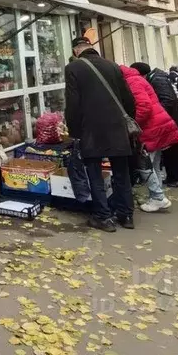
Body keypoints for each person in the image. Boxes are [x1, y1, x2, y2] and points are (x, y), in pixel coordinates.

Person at [64, 37, 136, 232]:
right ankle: (126, 215)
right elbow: (128, 98)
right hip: (117, 127)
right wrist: (128, 121)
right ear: (91, 48)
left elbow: (73, 104)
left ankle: (103, 217)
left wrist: (74, 131)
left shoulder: (73, 68)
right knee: (121, 173)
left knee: (94, 174)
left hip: (91, 129)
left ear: (76, 50)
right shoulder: (112, 66)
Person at [121, 65, 178, 213]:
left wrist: (132, 125)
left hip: (151, 127)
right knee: (153, 164)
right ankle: (156, 195)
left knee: (144, 164)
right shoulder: (136, 79)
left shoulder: (132, 82)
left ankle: (158, 197)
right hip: (158, 125)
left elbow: (144, 106)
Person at [131, 62, 178, 187]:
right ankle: (173, 178)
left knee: (173, 153)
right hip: (170, 120)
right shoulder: (158, 78)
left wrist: (156, 115)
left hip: (170, 121)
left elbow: (166, 100)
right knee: (169, 153)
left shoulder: (157, 80)